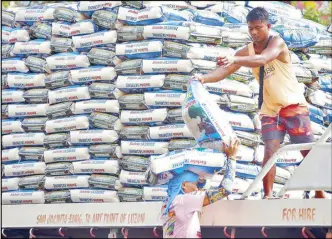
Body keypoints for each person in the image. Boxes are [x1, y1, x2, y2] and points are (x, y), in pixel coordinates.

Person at [197, 7, 325, 199]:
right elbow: (224, 71)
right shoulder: (247, 51)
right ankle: (267, 195)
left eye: (258, 28)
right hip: (270, 110)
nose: (254, 32)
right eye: (250, 29)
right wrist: (203, 79)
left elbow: (263, 59)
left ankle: (319, 191)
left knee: (307, 151)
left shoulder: (277, 43)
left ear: (268, 26)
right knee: (270, 151)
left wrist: (234, 57)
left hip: (293, 107)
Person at [161, 138, 240, 238]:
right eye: (196, 184)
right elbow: (225, 190)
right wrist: (231, 158)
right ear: (184, 185)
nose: (197, 188)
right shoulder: (185, 200)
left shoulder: (168, 203)